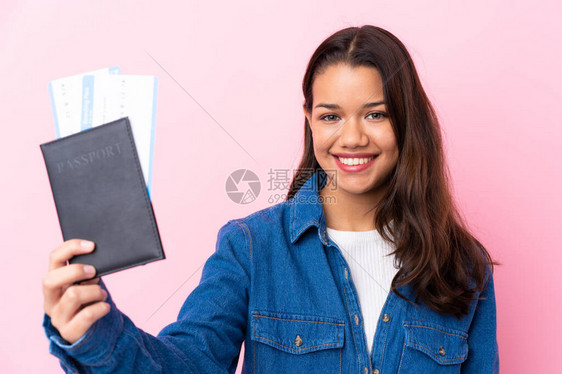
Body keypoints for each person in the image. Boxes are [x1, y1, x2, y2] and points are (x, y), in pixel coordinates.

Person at [42, 25, 500, 373]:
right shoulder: (251, 247)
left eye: (375, 114)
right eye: (331, 116)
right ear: (309, 119)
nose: (352, 137)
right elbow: (187, 361)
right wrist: (95, 334)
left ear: (407, 120)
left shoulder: (463, 265)